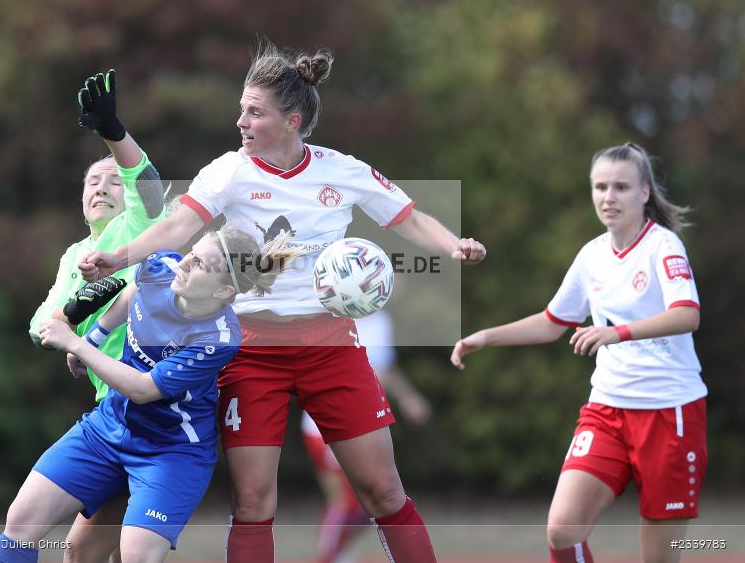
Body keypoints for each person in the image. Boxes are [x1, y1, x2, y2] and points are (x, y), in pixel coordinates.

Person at [78, 41, 486, 563]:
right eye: (242, 109)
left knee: (383, 493)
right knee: (252, 501)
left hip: (331, 346)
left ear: (292, 120)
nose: (241, 122)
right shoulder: (229, 171)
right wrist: (120, 255)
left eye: (255, 112)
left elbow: (407, 217)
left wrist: (453, 245)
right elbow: (179, 225)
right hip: (249, 350)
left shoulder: (341, 171)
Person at [0, 225, 301, 563]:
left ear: (224, 290)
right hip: (108, 428)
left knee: (136, 557)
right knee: (22, 521)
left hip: (171, 452)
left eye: (201, 265)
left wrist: (75, 342)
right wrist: (95, 335)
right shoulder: (162, 266)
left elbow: (143, 389)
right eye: (193, 253)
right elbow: (136, 288)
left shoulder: (219, 337)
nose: (186, 263)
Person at [451, 142, 705, 563]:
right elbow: (553, 322)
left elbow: (687, 314)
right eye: (600, 187)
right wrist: (486, 336)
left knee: (659, 557)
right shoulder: (591, 255)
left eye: (621, 187)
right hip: (607, 410)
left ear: (644, 192)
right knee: (562, 529)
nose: (609, 197)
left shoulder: (664, 246)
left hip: (669, 412)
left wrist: (617, 333)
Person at [27, 69, 166, 563]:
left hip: (159, 409)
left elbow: (146, 182)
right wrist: (73, 308)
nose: (101, 186)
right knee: (80, 555)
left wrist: (113, 132)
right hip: (112, 408)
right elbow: (42, 323)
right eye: (92, 180)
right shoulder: (72, 256)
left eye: (111, 180)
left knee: (116, 553)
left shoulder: (139, 227)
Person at [301, 310, 432, 563]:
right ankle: (329, 557)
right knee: (347, 502)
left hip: (366, 419)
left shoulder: (382, 320)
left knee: (374, 500)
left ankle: (338, 553)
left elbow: (384, 366)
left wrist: (408, 398)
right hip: (325, 424)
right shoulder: (328, 314)